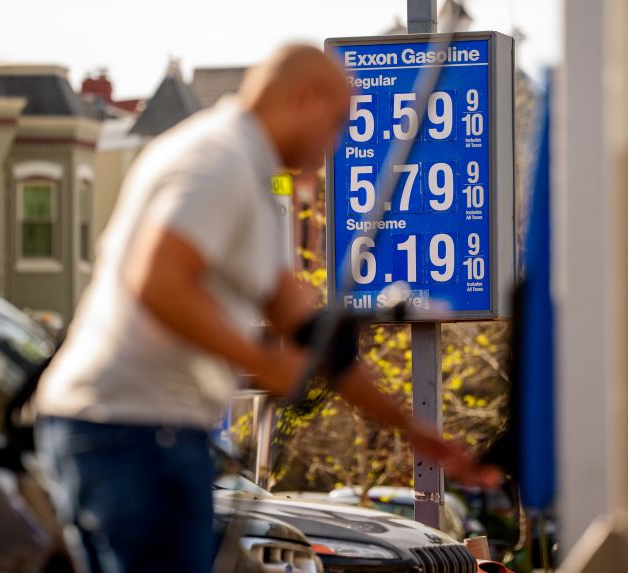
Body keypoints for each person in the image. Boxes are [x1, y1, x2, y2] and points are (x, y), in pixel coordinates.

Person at [35, 44, 499, 573]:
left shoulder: (255, 181)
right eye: (338, 121)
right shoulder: (218, 158)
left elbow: (311, 334)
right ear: (304, 98)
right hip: (129, 427)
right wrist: (264, 360)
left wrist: (414, 431)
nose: (339, 140)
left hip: (141, 428)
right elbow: (156, 280)